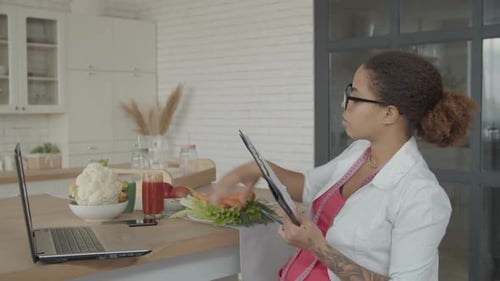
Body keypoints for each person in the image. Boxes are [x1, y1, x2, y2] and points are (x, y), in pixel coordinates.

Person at [213, 50, 476, 281]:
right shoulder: (360, 152)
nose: (345, 104)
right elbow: (309, 186)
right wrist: (259, 168)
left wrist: (319, 248)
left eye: (356, 97)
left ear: (389, 114)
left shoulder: (422, 196)